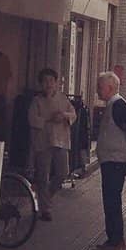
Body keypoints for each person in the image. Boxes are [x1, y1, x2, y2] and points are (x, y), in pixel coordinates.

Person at [93, 71, 126, 250]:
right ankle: (113, 240)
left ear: (110, 88)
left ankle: (116, 241)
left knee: (112, 201)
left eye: (100, 87)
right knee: (110, 200)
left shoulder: (118, 105)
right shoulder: (113, 104)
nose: (98, 90)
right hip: (112, 159)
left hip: (116, 160)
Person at [28, 68, 77, 222]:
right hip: (43, 141)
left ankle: (45, 197)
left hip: (61, 140)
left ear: (56, 83)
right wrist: (49, 119)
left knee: (63, 172)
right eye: (45, 81)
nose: (48, 84)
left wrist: (64, 116)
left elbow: (73, 115)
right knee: (43, 175)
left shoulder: (63, 99)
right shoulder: (36, 101)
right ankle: (46, 209)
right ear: (41, 84)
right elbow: (32, 119)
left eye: (51, 81)